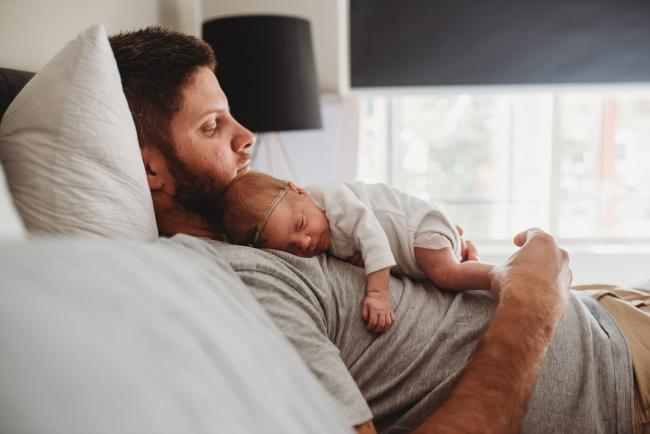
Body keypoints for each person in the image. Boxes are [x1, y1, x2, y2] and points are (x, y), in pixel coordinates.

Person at [109, 27, 648, 433]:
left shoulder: (257, 227)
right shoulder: (236, 286)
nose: (246, 136)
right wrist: (534, 301)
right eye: (211, 126)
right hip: (623, 383)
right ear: (151, 170)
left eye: (231, 116)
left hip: (606, 310)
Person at [220, 171, 494, 333]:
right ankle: (471, 260)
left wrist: (378, 294)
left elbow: (373, 236)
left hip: (417, 229)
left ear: (299, 190)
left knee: (447, 274)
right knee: (447, 277)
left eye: (301, 225)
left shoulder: (335, 200)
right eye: (290, 247)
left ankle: (503, 274)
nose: (304, 243)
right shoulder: (316, 226)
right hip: (412, 255)